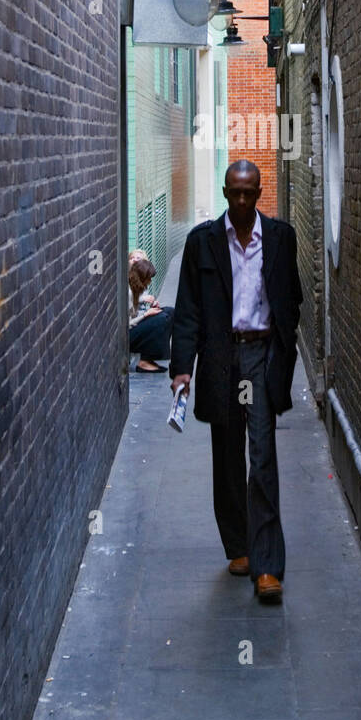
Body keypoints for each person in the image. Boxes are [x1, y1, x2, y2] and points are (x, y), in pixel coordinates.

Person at [170, 160, 303, 603]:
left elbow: (292, 297)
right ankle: (240, 545)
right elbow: (187, 310)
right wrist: (181, 369)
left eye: (250, 193)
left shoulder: (281, 239)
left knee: (262, 455)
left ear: (259, 192)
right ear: (226, 193)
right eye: (235, 193)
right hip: (222, 358)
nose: (243, 201)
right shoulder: (202, 243)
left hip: (262, 356)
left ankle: (268, 566)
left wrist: (283, 347)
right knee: (227, 458)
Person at [128, 252, 174, 373]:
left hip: (138, 325)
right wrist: (146, 315)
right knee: (161, 319)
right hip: (128, 334)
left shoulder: (140, 287)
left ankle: (149, 358)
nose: (149, 281)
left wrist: (151, 308)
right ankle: (144, 363)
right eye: (148, 278)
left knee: (170, 312)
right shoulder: (128, 293)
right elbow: (127, 324)